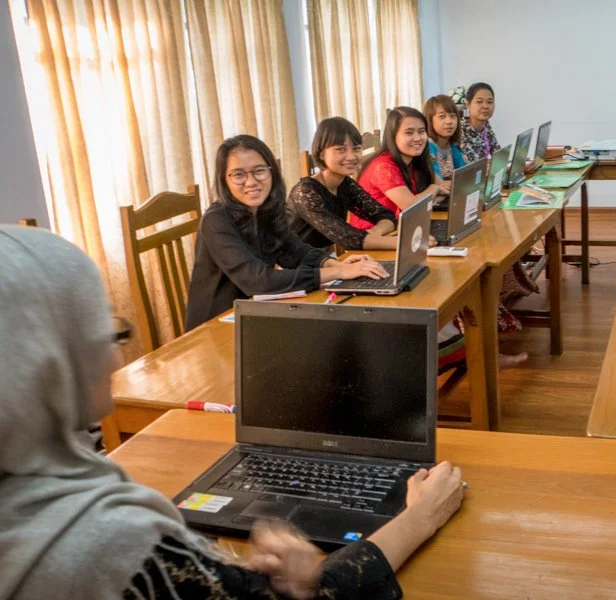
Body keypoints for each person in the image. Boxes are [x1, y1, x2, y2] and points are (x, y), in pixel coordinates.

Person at [0, 225, 465, 599]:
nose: (117, 357)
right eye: (104, 330)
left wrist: (232, 575)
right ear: (43, 360)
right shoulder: (113, 546)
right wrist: (418, 519)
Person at [186, 135, 388, 330]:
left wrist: (335, 264)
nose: (251, 182)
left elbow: (294, 250)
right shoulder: (216, 220)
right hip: (215, 325)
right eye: (239, 174)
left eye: (259, 171)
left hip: (257, 313)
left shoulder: (266, 208)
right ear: (224, 180)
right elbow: (259, 281)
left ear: (272, 172)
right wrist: (338, 272)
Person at [287, 117, 399, 252]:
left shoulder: (345, 183)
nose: (351, 157)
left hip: (324, 260)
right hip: (295, 267)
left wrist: (376, 232)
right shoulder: (306, 192)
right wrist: (409, 243)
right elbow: (349, 240)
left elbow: (386, 215)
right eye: (341, 149)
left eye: (356, 149)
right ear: (322, 154)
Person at [351, 107, 448, 231]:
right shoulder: (383, 167)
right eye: (409, 132)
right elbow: (412, 207)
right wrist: (433, 189)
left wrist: (435, 192)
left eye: (421, 131)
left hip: (404, 227)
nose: (418, 138)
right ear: (393, 135)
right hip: (375, 236)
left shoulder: (415, 159)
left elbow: (444, 187)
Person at [424, 95, 466, 180]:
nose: (449, 121)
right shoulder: (428, 146)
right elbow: (438, 182)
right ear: (430, 120)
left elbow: (463, 172)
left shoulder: (452, 145)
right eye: (442, 116)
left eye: (453, 116)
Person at [460, 82, 500, 163]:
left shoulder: (486, 125)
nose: (485, 106)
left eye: (489, 102)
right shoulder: (460, 129)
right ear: (468, 104)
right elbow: (473, 165)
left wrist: (517, 163)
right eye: (479, 102)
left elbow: (498, 155)